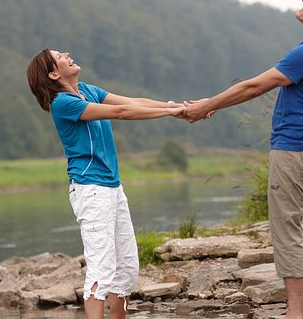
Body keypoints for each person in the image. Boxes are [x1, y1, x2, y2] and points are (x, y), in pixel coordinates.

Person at [184, 0, 303, 319]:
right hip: (301, 148)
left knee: (285, 227)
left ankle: (295, 312)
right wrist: (216, 104)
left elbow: (255, 86)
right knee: (291, 224)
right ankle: (296, 309)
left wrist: (207, 105)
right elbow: (254, 86)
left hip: (296, 150)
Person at [26, 49, 185, 319]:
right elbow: (122, 112)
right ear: (53, 74)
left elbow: (133, 101)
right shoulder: (62, 103)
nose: (67, 53)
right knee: (101, 269)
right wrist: (175, 112)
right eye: (59, 55)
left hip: (112, 187)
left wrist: (174, 107)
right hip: (90, 188)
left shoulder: (87, 90)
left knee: (126, 268)